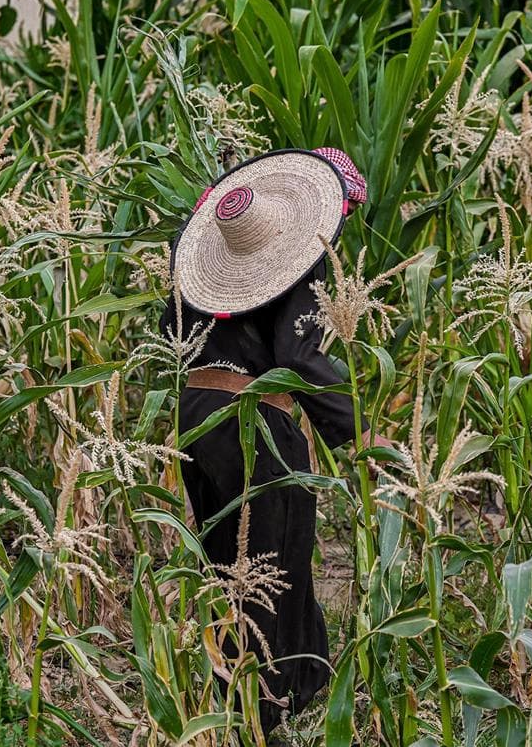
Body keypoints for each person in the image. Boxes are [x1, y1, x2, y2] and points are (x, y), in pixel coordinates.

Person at [158, 147, 382, 738]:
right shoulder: (300, 265)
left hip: (196, 413)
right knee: (275, 559)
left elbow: (170, 328)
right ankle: (274, 707)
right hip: (253, 422)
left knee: (227, 559)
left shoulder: (207, 274)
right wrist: (361, 431)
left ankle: (232, 696)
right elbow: (298, 358)